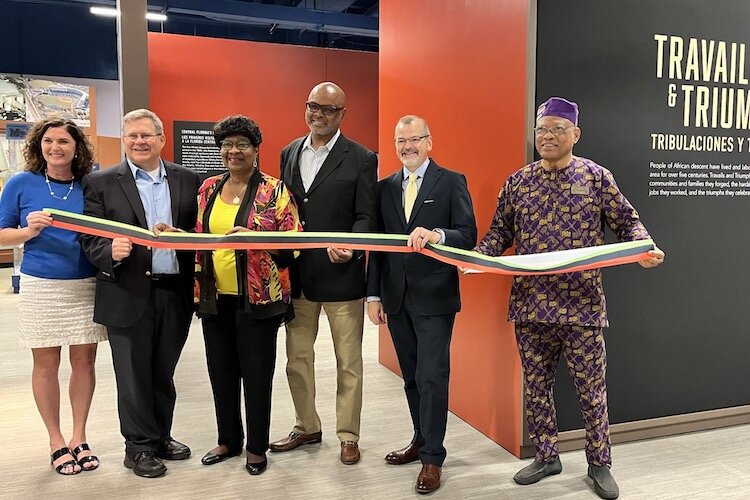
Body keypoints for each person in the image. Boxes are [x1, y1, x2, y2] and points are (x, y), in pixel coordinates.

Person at [473, 97, 665, 500]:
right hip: (531, 305)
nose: (547, 136)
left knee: (591, 390)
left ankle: (599, 463)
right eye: (542, 129)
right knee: (537, 385)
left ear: (575, 134)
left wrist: (644, 247)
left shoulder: (596, 178)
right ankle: (546, 455)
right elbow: (498, 235)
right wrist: (473, 258)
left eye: (558, 129)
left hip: (582, 306)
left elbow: (627, 222)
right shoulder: (518, 182)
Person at [81, 108, 200, 478]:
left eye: (146, 135)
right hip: (126, 291)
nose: (139, 142)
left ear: (162, 139)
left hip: (173, 291)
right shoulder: (100, 182)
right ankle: (138, 447)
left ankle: (161, 435)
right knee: (132, 374)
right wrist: (107, 253)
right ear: (124, 140)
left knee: (163, 371)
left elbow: (198, 232)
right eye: (132, 136)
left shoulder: (188, 179)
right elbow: (89, 238)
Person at [366, 115, 477, 494]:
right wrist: (374, 295)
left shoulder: (450, 182)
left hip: (434, 299)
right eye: (401, 141)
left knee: (432, 377)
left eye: (415, 139)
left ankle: (433, 457)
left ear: (429, 142)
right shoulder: (384, 189)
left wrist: (438, 234)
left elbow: (468, 234)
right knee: (412, 376)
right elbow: (377, 249)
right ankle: (419, 439)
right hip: (396, 299)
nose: (408, 147)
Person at [271, 82, 377, 465]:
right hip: (297, 277)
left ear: (342, 114)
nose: (319, 113)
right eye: (313, 106)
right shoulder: (288, 152)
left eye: (328, 109)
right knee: (297, 358)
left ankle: (348, 434)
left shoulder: (362, 158)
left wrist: (353, 244)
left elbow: (367, 215)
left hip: (342, 278)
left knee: (348, 361)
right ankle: (306, 426)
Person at [192, 115, 302, 475]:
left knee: (256, 375)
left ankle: (256, 447)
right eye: (226, 145)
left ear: (256, 149)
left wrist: (255, 237)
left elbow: (294, 245)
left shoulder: (274, 191)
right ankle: (229, 440)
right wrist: (171, 232)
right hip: (214, 296)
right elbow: (200, 237)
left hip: (258, 300)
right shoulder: (208, 188)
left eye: (241, 144)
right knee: (220, 372)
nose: (233, 151)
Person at [0, 117, 107, 476]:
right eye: (48, 141)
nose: (55, 148)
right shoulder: (21, 184)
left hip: (86, 283)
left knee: (85, 362)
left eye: (63, 141)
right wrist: (28, 231)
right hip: (41, 284)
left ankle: (79, 436)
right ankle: (55, 440)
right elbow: (2, 235)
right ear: (38, 145)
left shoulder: (90, 185)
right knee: (46, 364)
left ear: (77, 148)